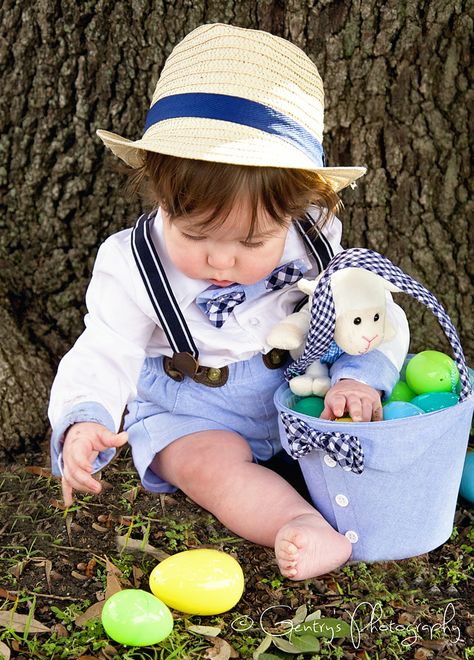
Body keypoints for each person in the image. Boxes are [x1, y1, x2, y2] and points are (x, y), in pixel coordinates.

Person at [49, 24, 409, 580]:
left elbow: (360, 311)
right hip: (191, 410)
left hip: (296, 390)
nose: (221, 263)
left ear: (297, 208)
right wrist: (85, 418)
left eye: (250, 242)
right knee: (207, 465)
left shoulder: (314, 237)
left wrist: (356, 375)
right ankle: (297, 523)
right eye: (194, 236)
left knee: (358, 422)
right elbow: (105, 347)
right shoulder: (132, 264)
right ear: (160, 195)